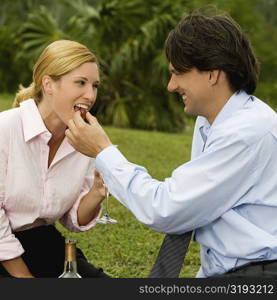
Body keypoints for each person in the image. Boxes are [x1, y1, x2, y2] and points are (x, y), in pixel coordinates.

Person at [65, 12, 277, 278]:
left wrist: (103, 151)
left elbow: (166, 208)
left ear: (212, 74)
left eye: (178, 73)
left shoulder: (246, 133)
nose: (171, 86)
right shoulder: (211, 122)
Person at [0, 40, 110, 278]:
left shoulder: (82, 139)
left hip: (44, 245)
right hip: (4, 251)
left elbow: (72, 220)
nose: (90, 95)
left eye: (95, 85)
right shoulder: (5, 128)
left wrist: (96, 193)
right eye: (80, 83)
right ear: (48, 84)